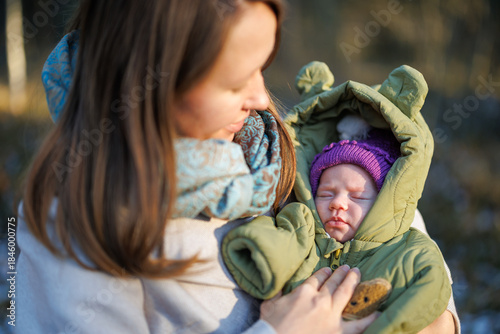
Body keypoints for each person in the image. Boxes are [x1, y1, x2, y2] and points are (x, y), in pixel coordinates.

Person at [16, 1, 378, 333]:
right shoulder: (74, 223)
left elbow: (393, 235)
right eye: (235, 81)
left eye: (261, 67)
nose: (261, 99)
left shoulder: (270, 149)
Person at [222, 62, 460, 333]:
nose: (338, 202)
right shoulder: (304, 224)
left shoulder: (407, 245)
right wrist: (257, 255)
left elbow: (431, 294)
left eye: (358, 197)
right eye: (326, 193)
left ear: (383, 202)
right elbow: (274, 244)